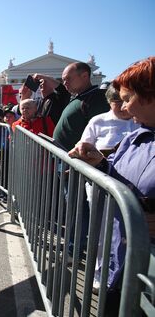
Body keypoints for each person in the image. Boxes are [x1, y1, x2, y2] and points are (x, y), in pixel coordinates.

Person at [69, 56, 155, 302]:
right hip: (118, 263)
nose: (124, 108)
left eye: (128, 99)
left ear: (150, 95)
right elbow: (116, 175)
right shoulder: (134, 138)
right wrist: (100, 163)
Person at [53, 62, 110, 151]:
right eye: (63, 79)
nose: (64, 83)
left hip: (75, 161)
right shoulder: (81, 97)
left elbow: (102, 132)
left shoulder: (96, 99)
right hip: (65, 158)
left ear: (84, 76)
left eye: (68, 78)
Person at [79, 82, 140, 156]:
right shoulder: (98, 121)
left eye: (127, 100)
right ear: (109, 102)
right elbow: (83, 148)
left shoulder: (144, 120)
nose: (123, 106)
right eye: (118, 101)